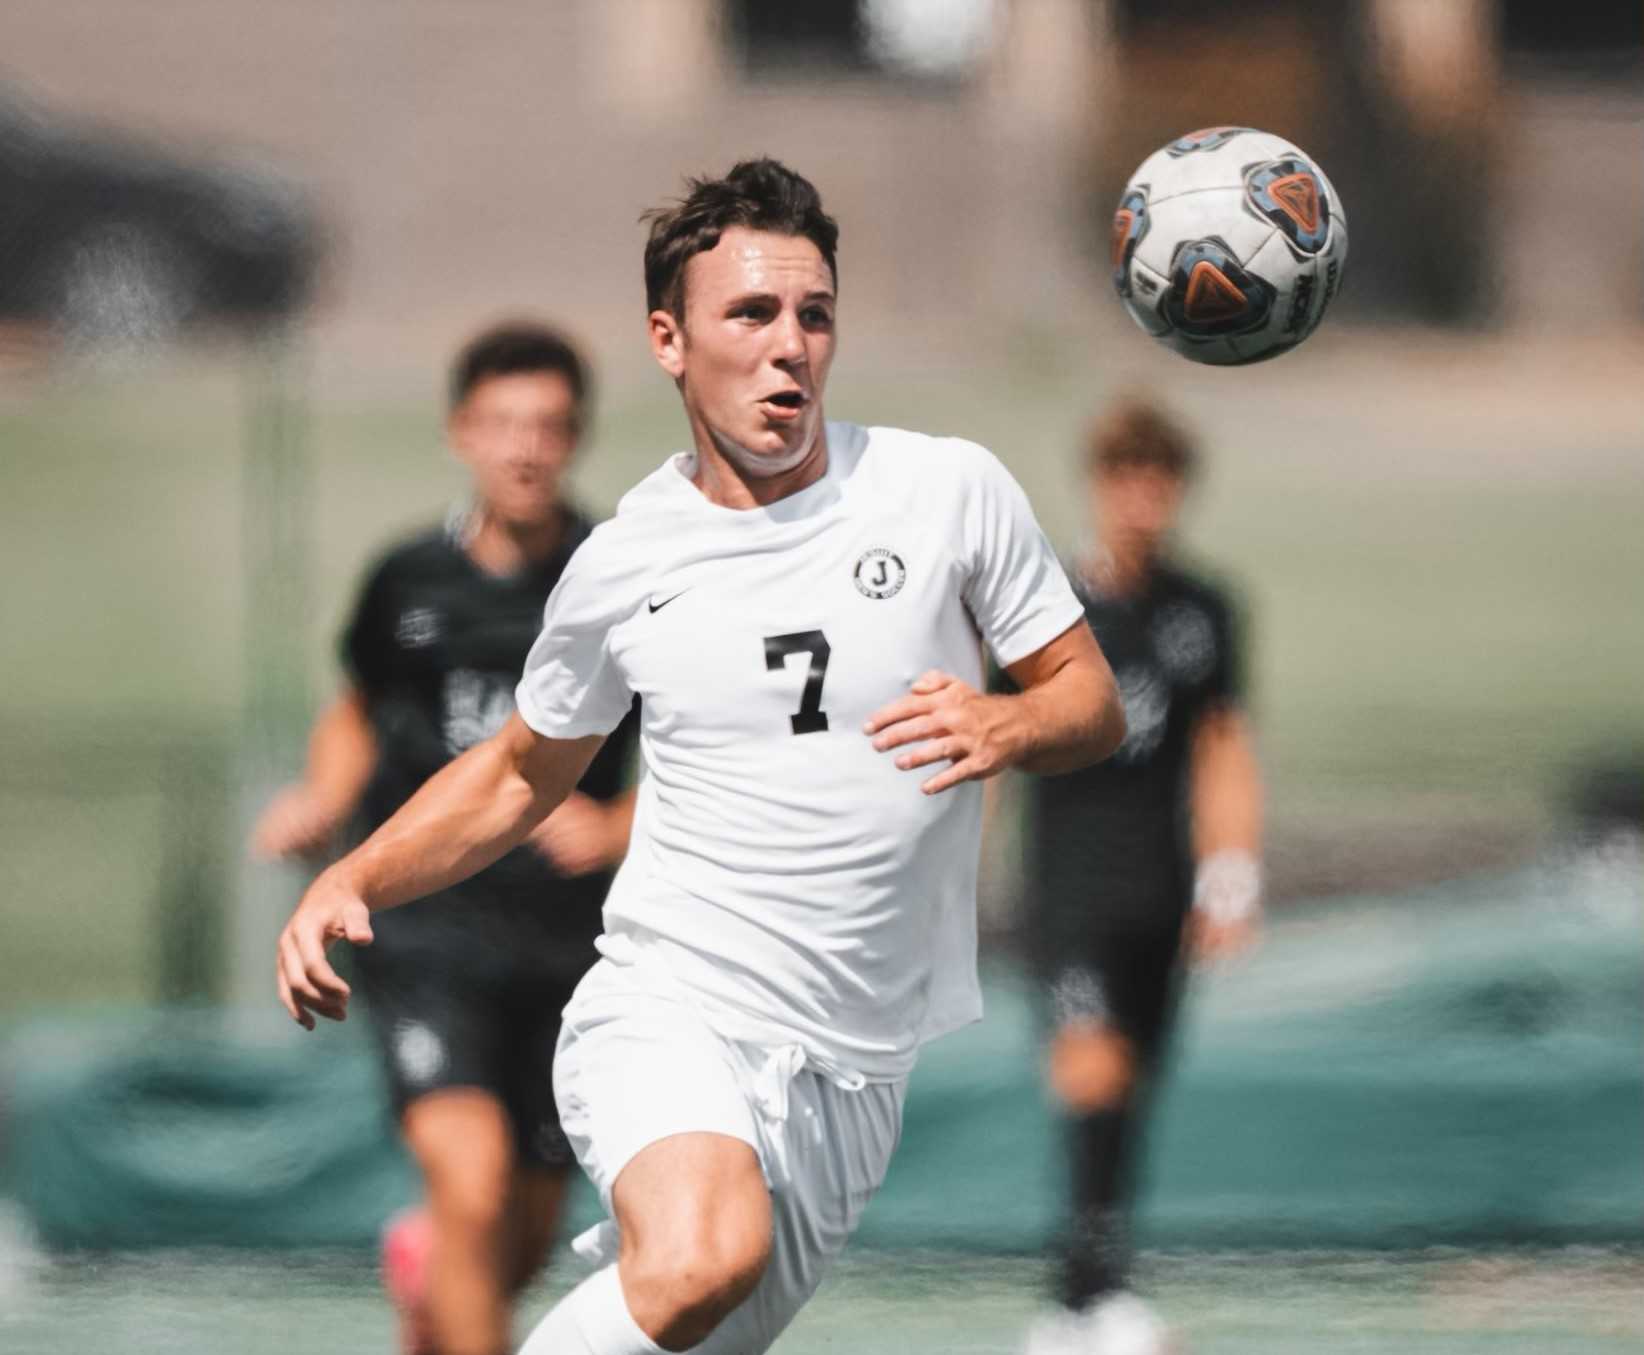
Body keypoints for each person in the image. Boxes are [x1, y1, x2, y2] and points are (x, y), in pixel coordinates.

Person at [275, 157, 1126, 1355]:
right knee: (698, 1254)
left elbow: (1090, 700)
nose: (792, 346)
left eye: (814, 314)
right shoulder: (629, 560)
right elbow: (522, 770)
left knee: (685, 1302)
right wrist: (351, 874)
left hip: (855, 1067)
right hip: (674, 1007)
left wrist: (1011, 721)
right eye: (752, 313)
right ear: (670, 340)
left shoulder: (949, 490)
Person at [253, 321, 637, 1355]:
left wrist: (617, 821)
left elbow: (706, 741)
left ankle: (431, 1285)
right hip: (428, 936)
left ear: (575, 438)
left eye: (548, 426)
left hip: (566, 948)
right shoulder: (407, 581)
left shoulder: (616, 580)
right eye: (503, 422)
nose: (524, 447)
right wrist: (324, 799)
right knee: (467, 1187)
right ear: (462, 431)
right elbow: (357, 705)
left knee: (516, 1237)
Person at [1020, 399, 1264, 1355]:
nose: (1142, 499)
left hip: (1158, 886)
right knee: (1091, 1073)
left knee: (1136, 1088)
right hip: (1067, 883)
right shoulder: (1047, 609)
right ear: (1097, 483)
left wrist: (1232, 874)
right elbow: (996, 744)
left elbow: (1223, 743)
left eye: (1160, 479)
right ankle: (1077, 1296)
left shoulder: (1206, 611)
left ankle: (1101, 1281)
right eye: (1125, 476)